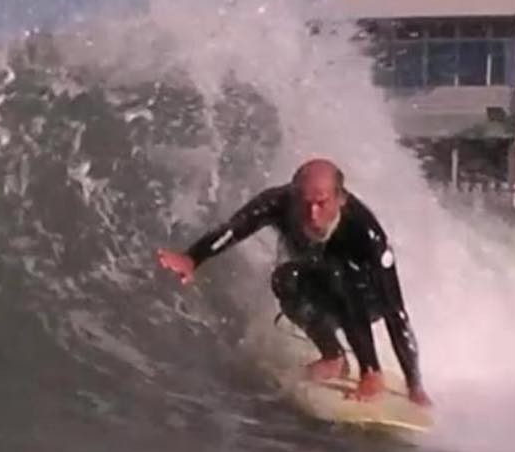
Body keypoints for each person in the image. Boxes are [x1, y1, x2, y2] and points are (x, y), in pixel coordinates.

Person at [156, 158, 431, 406]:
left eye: (321, 203)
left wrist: (414, 385)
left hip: (367, 301)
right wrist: (192, 259)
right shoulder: (278, 203)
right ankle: (333, 357)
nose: (312, 214)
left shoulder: (366, 233)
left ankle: (371, 371)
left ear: (341, 199)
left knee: (344, 276)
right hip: (324, 289)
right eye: (305, 203)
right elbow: (234, 229)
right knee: (286, 279)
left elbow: (396, 313)